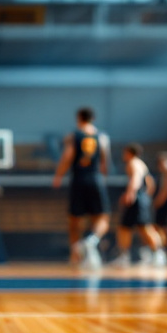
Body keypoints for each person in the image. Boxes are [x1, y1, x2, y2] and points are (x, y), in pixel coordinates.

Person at [52, 107, 111, 268]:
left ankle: (75, 256)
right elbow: (105, 162)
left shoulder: (73, 136)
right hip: (95, 179)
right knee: (101, 218)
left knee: (74, 220)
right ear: (93, 119)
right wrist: (102, 178)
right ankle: (92, 240)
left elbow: (67, 158)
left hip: (78, 179)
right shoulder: (102, 137)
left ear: (79, 118)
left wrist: (58, 176)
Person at [112, 143, 164, 267]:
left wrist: (130, 193)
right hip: (142, 198)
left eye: (124, 152)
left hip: (136, 198)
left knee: (140, 228)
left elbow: (136, 178)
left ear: (129, 152)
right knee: (130, 227)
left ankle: (157, 254)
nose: (123, 155)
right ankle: (157, 254)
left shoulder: (133, 163)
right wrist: (146, 196)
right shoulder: (141, 163)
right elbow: (151, 183)